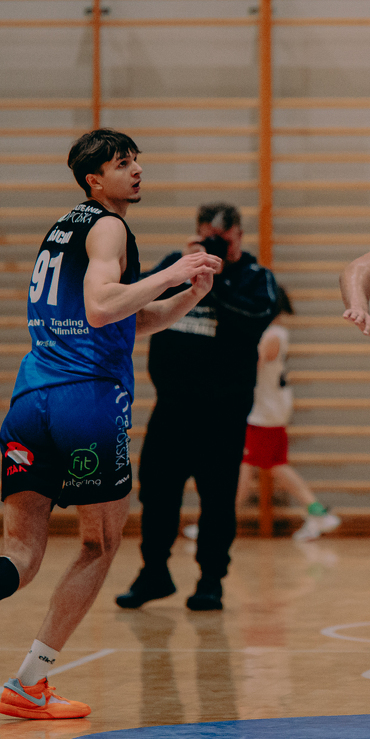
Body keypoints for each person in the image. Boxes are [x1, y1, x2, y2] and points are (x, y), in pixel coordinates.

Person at [0, 130, 222, 719]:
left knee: (22, 552)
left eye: (136, 160)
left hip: (29, 401)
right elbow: (103, 306)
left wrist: (188, 295)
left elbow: (121, 321)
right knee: (100, 543)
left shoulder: (63, 229)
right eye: (122, 163)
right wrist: (171, 272)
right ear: (95, 180)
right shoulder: (109, 227)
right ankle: (29, 682)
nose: (135, 170)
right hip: (86, 404)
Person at [115, 202, 280, 612]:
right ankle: (154, 572)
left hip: (224, 414)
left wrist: (212, 282)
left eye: (223, 240)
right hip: (172, 406)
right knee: (157, 492)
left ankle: (210, 580)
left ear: (239, 237)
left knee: (218, 500)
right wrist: (181, 271)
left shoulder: (256, 277)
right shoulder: (177, 266)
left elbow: (254, 320)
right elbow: (136, 301)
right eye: (208, 238)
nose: (216, 246)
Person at [236, 290, 341, 541]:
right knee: (273, 465)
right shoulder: (271, 332)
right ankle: (317, 512)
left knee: (245, 467)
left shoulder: (273, 335)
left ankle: (218, 523)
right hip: (268, 409)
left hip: (264, 413)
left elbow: (249, 368)